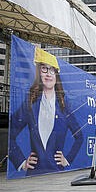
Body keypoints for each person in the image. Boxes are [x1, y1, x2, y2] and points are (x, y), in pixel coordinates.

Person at [9, 47, 83, 176]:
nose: (48, 74)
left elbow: (79, 137)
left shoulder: (64, 107)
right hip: (34, 174)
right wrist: (21, 162)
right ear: (39, 73)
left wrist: (68, 159)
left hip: (57, 172)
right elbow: (10, 133)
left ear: (56, 75)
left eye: (52, 70)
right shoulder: (30, 104)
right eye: (44, 69)